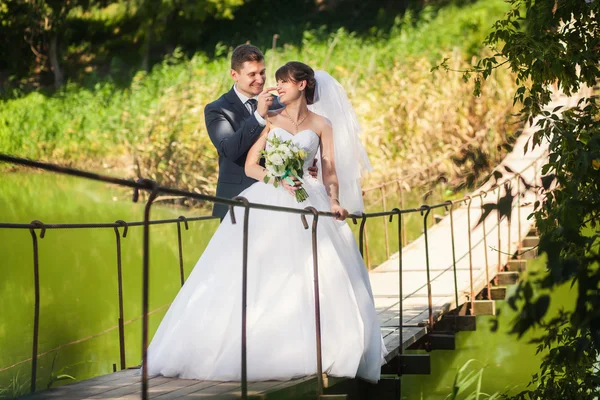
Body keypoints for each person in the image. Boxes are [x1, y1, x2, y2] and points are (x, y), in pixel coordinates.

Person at [147, 62, 386, 383]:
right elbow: (250, 167)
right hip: (269, 197)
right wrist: (278, 177)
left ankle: (315, 344)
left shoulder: (322, 124)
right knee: (256, 268)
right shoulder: (270, 119)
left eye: (283, 82)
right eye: (276, 82)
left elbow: (328, 168)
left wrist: (333, 201)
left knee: (313, 270)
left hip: (308, 198)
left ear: (302, 85)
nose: (276, 87)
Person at [205, 44, 317, 219]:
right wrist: (258, 115)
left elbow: (296, 139)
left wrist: (306, 165)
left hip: (281, 199)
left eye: (262, 72)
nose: (260, 79)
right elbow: (229, 150)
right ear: (234, 75)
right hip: (237, 200)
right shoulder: (217, 109)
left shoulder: (280, 104)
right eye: (252, 74)